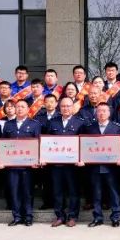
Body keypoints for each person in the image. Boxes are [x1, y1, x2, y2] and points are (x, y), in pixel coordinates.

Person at [80, 103, 120, 227]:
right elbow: (85, 146)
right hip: (94, 166)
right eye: (99, 111)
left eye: (104, 111)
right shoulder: (89, 128)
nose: (101, 113)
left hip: (111, 167)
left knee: (113, 192)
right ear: (96, 113)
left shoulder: (117, 127)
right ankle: (97, 217)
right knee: (96, 193)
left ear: (109, 113)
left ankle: (115, 217)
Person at [43, 96, 83, 227]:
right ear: (59, 108)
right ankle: (60, 216)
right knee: (57, 191)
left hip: (73, 165)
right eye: (63, 106)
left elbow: (83, 143)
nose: (66, 108)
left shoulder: (80, 123)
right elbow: (47, 142)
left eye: (68, 106)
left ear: (73, 107)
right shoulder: (53, 122)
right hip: (56, 164)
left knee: (73, 191)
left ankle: (72, 216)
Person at [1, 99, 41, 226]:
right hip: (12, 165)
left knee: (27, 192)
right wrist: (2, 160)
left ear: (28, 109)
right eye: (17, 107)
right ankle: (17, 216)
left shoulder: (34, 124)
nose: (19, 109)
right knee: (14, 191)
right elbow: (3, 144)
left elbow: (39, 144)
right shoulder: (8, 125)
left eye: (22, 107)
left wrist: (37, 160)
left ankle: (28, 216)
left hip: (28, 166)